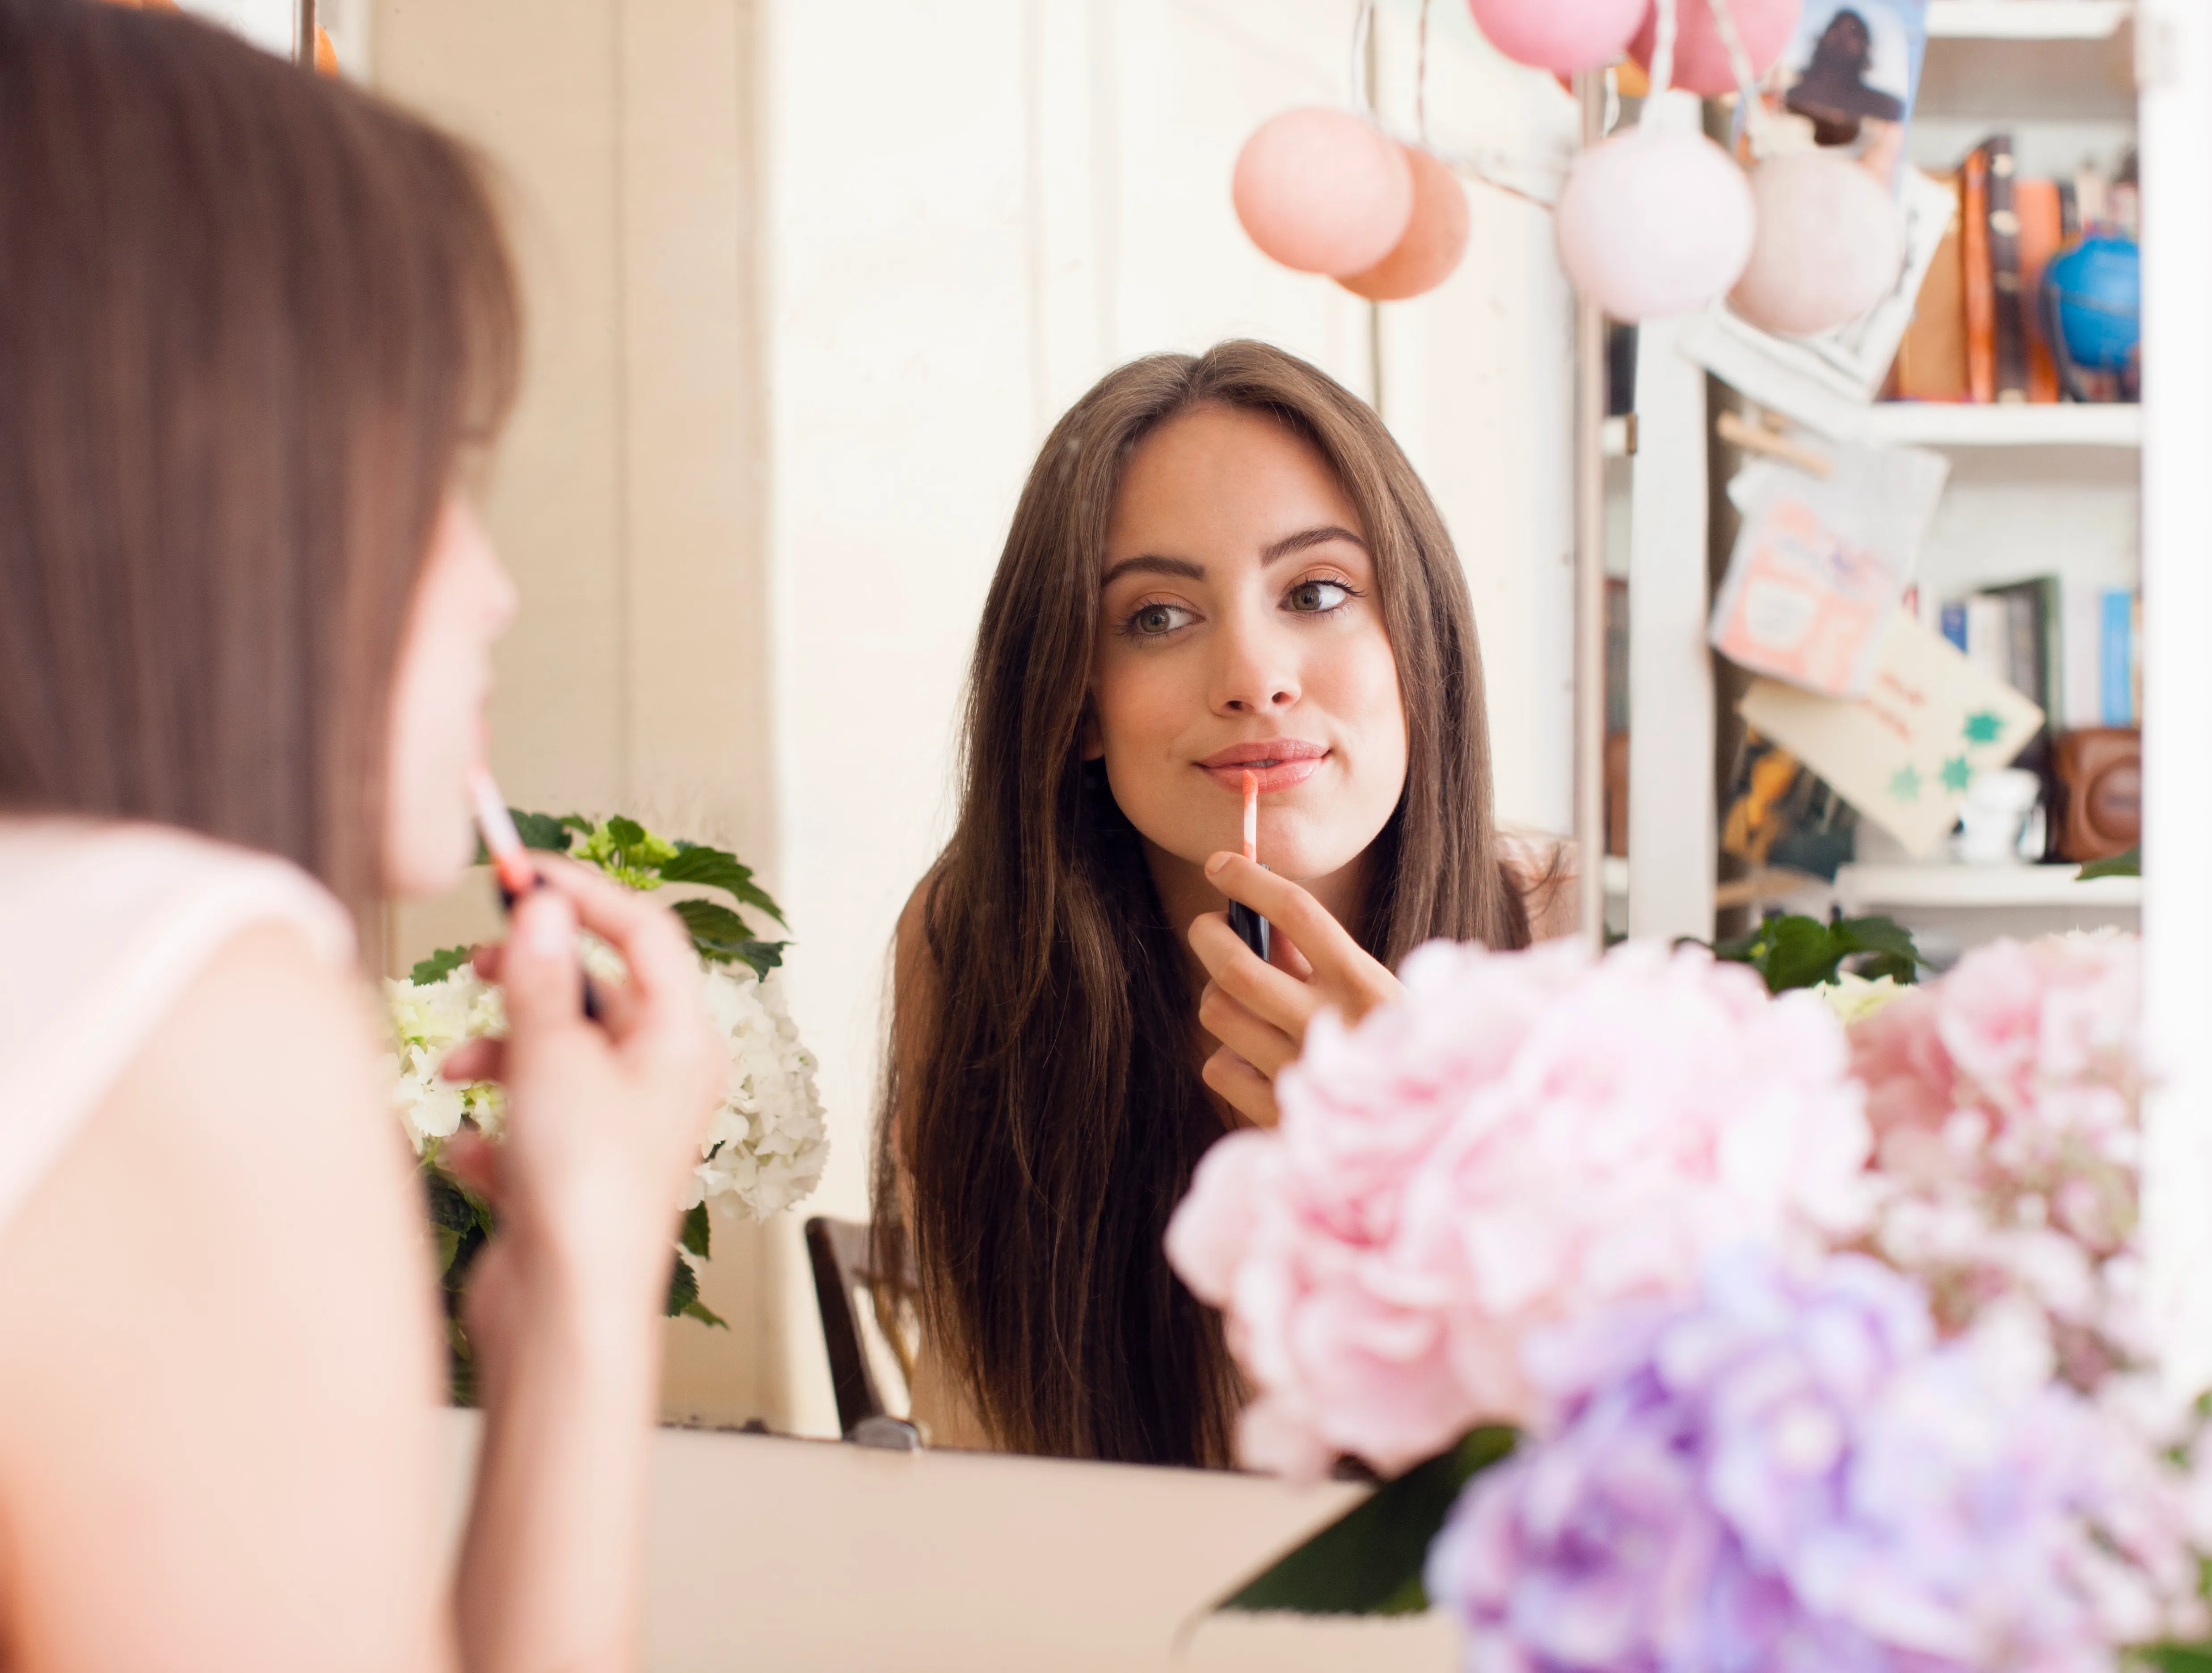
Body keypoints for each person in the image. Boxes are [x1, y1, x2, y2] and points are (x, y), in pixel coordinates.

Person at [0, 4, 726, 1668]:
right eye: (436, 474)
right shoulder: (176, 990)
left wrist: (575, 1297)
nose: (494, 585)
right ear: (207, 479)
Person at [875, 341, 1562, 1470]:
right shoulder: (975, 943)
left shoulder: (1555, 937)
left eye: (1318, 593)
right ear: (1075, 704)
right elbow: (994, 1442)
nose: (1254, 673)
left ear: (1417, 648)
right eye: (1154, 617)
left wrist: (1398, 1178)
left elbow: (1592, 1489)